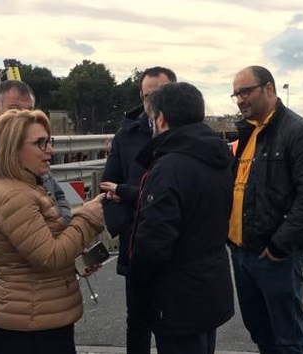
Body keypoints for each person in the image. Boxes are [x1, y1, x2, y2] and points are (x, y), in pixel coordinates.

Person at [0, 80, 72, 353]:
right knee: (3, 342)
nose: (22, 117)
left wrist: (55, 226)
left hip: (42, 274)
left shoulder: (30, 147)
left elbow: (58, 197)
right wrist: (27, 218)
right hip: (4, 273)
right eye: (14, 109)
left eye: (28, 110)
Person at [0, 109, 105, 353]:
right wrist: (88, 218)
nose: (49, 149)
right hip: (32, 325)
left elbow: (36, 251)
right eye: (40, 143)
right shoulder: (16, 196)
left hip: (32, 315)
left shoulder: (19, 185)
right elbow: (49, 256)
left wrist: (74, 261)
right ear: (11, 148)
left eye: (49, 141)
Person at [126, 82, 235, 354]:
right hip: (209, 285)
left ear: (160, 118)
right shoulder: (216, 157)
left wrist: (137, 275)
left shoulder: (169, 166)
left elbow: (154, 240)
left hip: (177, 296)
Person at [228, 65, 303, 354]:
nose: (240, 100)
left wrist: (279, 246)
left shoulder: (299, 133)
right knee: (260, 331)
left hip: (274, 256)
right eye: (236, 94)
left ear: (269, 88)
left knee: (289, 337)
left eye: (246, 91)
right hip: (242, 252)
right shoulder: (248, 132)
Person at [99, 66, 176, 354]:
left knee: (177, 323)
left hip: (178, 246)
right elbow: (108, 187)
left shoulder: (190, 135)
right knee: (139, 321)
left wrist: (128, 195)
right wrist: (125, 226)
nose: (153, 102)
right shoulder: (126, 134)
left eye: (161, 95)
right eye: (147, 96)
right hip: (138, 243)